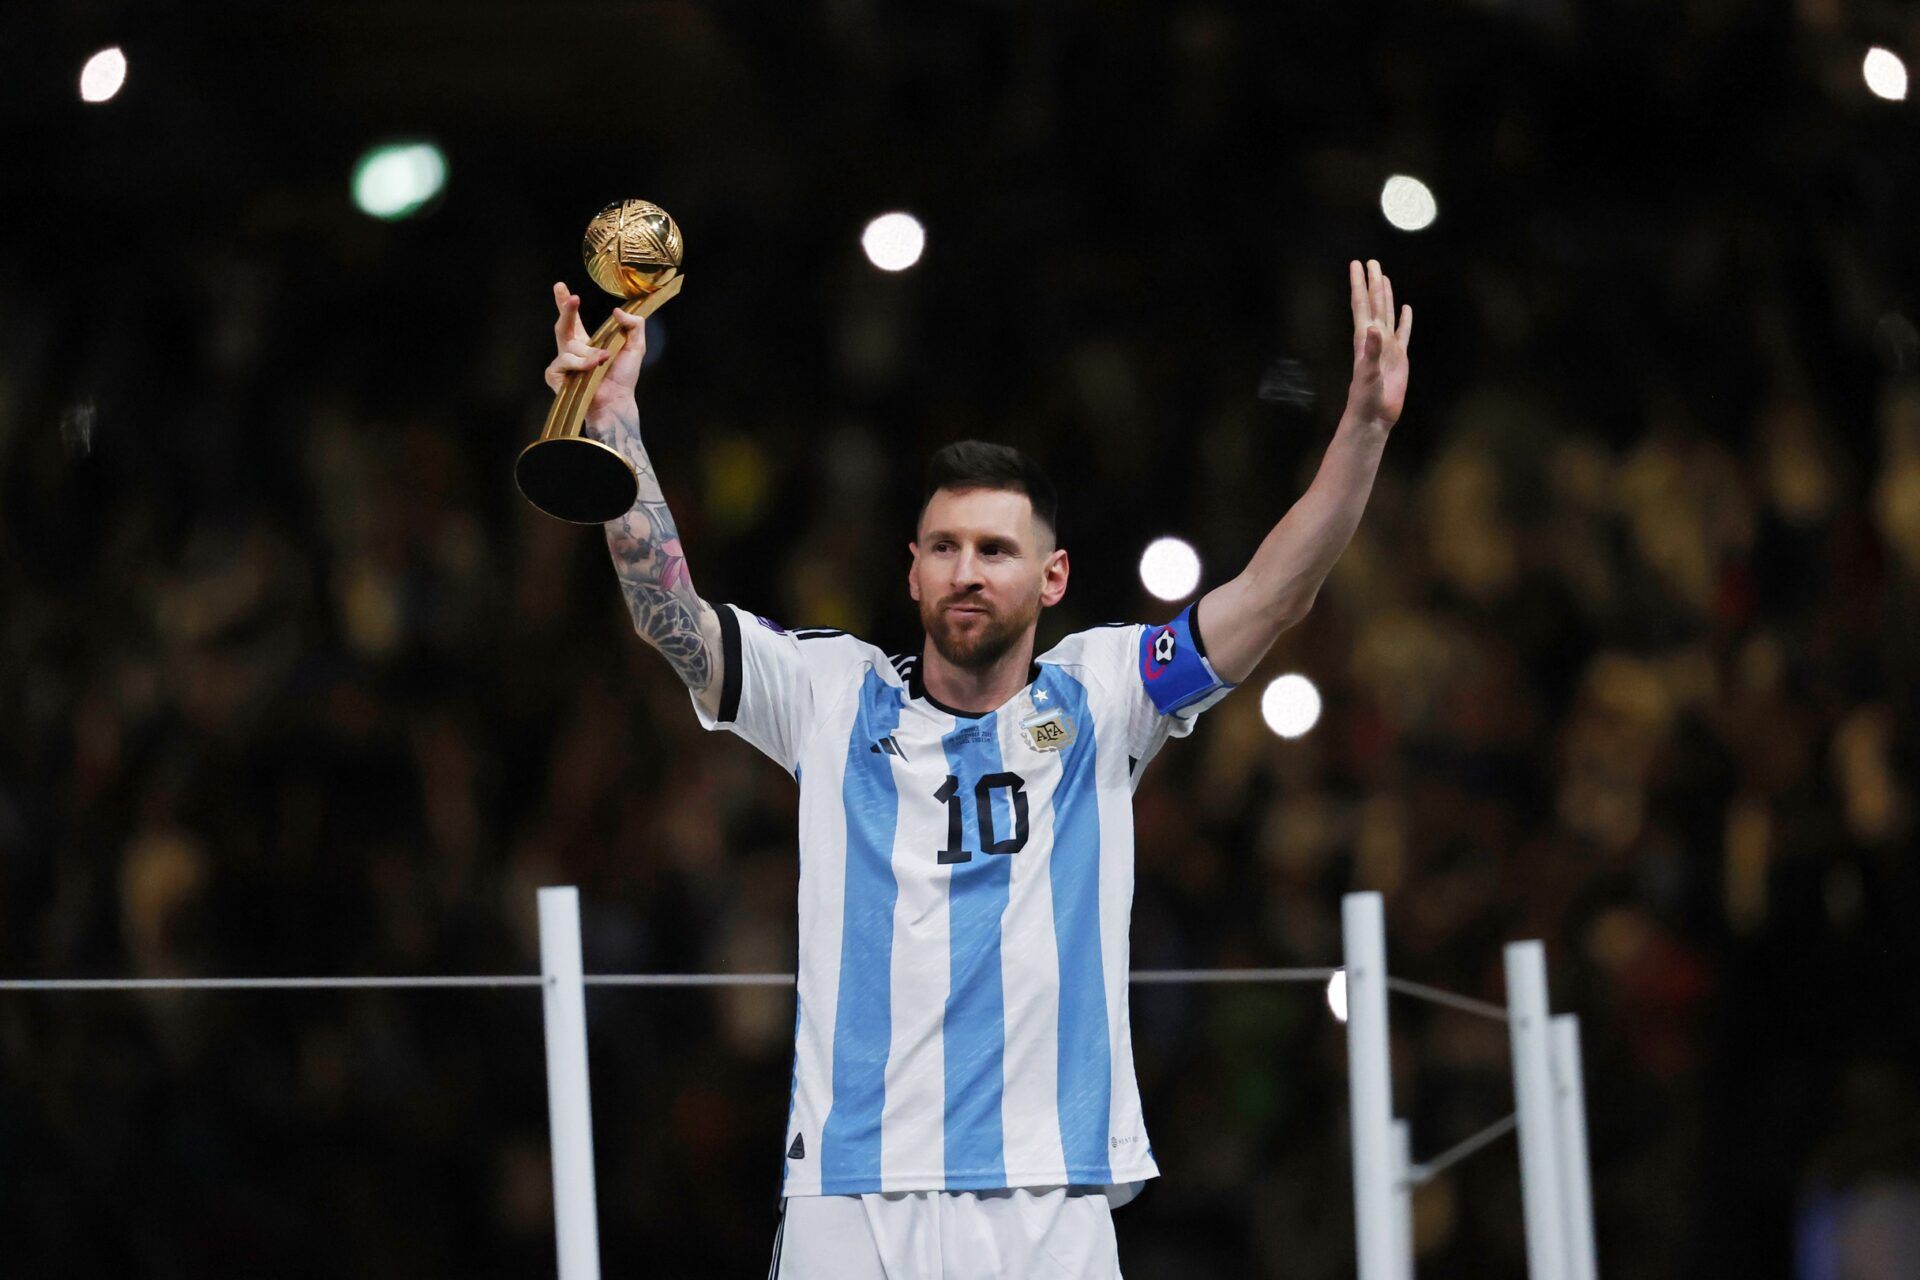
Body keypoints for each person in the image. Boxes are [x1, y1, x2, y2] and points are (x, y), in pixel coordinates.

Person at [541, 260, 1411, 1279]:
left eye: (996, 549)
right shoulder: (832, 692)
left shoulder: (1105, 692)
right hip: (850, 1194)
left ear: (1052, 576)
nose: (966, 570)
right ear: (910, 567)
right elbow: (668, 616)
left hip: (1050, 1191)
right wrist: (614, 424)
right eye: (945, 546)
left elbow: (1271, 594)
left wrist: (1363, 431)